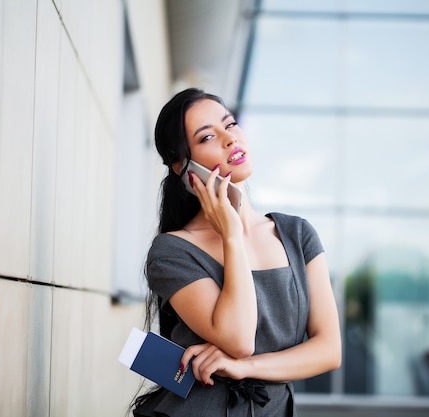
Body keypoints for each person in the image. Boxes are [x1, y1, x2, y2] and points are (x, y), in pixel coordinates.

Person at [132, 88, 342, 417]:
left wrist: (245, 368)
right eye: (206, 137)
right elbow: (239, 339)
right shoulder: (173, 250)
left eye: (229, 125)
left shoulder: (297, 235)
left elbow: (329, 350)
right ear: (181, 166)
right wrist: (231, 234)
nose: (229, 140)